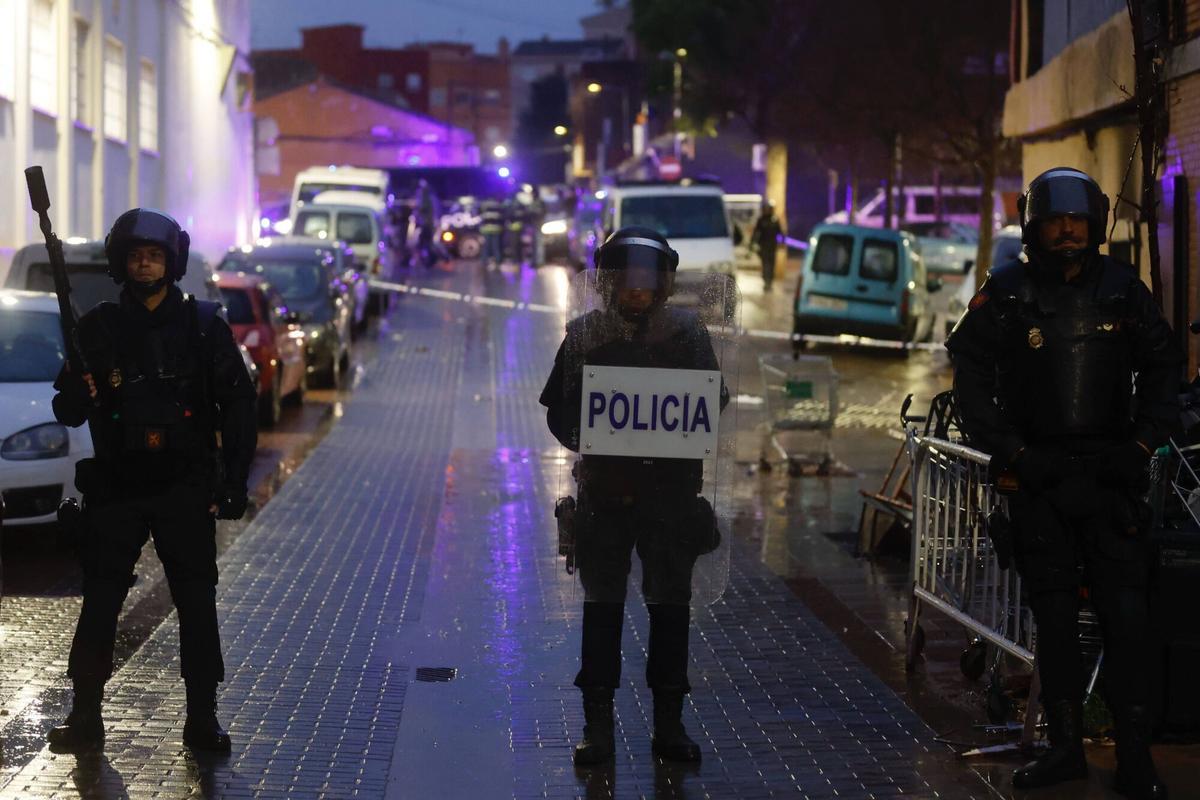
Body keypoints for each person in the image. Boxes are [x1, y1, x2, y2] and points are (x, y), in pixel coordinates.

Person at [946, 167, 1178, 799]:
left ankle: (1134, 754)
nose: (1068, 229)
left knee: (1126, 618)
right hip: (1040, 480)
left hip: (1110, 478)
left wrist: (1140, 444)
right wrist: (1014, 452)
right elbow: (969, 376)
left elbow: (1164, 369)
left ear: (1095, 222)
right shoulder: (1010, 291)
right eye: (1056, 220)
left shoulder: (1123, 290)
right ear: (1035, 226)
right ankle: (1065, 748)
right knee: (1052, 620)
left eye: (1077, 219)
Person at [47, 209, 257, 754]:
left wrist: (234, 480)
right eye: (136, 255)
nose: (146, 265)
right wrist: (78, 392)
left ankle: (202, 718)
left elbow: (238, 404)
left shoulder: (204, 324)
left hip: (184, 487)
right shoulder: (96, 328)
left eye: (156, 255)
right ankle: (86, 715)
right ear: (121, 262)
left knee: (196, 601)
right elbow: (68, 410)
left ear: (173, 261)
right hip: (116, 485)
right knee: (99, 601)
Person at [540, 227, 730, 767]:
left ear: (664, 284)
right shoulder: (585, 335)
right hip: (606, 497)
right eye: (627, 279)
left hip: (671, 500)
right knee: (602, 613)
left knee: (670, 612)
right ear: (609, 282)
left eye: (648, 280)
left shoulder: (688, 336)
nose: (637, 290)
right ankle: (597, 728)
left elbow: (711, 404)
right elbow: (558, 411)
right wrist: (592, 435)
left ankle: (669, 725)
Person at [750, 200, 783, 291]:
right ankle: (766, 281)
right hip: (763, 246)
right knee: (765, 264)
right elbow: (756, 232)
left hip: (772, 246)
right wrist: (752, 243)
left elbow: (780, 232)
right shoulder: (761, 220)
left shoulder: (775, 220)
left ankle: (770, 282)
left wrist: (781, 242)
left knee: (771, 264)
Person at [480, 197, 505, 267]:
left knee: (486, 246)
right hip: (496, 229)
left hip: (486, 229)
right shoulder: (498, 205)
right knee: (496, 246)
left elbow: (481, 218)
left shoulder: (484, 205)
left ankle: (484, 261)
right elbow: (501, 218)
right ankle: (498, 261)